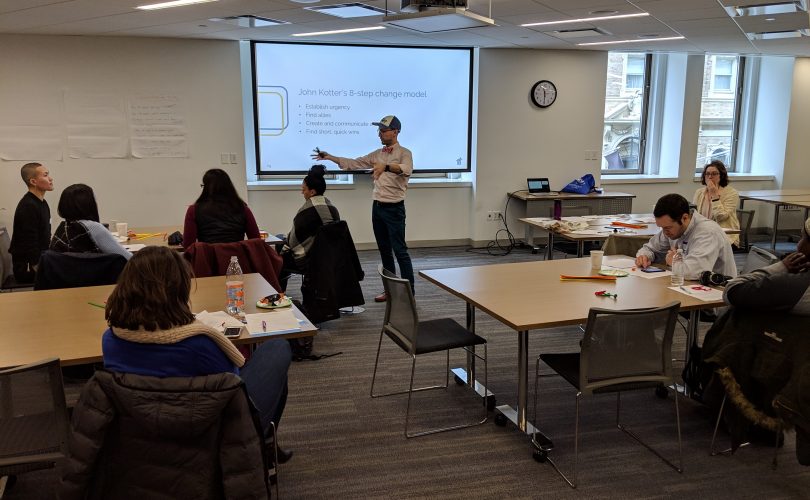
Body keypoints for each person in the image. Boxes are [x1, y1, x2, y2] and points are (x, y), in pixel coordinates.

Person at [100, 246, 293, 462]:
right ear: (178, 290)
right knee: (277, 349)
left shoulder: (111, 340)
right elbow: (234, 386)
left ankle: (266, 443)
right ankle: (261, 443)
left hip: (141, 428)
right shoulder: (198, 344)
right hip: (208, 429)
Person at [313, 115, 414, 301]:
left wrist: (386, 167)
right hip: (377, 207)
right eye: (379, 131)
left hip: (395, 209)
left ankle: (409, 294)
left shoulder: (404, 153)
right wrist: (330, 157)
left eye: (384, 131)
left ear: (396, 131)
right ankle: (390, 290)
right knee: (384, 250)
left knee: (400, 250)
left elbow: (405, 169)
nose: (380, 134)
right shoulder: (378, 154)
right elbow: (354, 163)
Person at [635, 193, 737, 280]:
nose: (665, 233)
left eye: (667, 228)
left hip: (717, 292)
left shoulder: (707, 232)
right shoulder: (671, 229)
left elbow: (695, 272)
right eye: (662, 228)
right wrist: (644, 256)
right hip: (686, 285)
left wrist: (673, 261)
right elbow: (650, 248)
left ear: (684, 218)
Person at [724, 217, 810, 313]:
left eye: (802, 237)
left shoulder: (790, 285)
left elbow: (730, 291)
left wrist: (782, 267)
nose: (798, 244)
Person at [278, 164, 340, 292]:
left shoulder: (306, 211)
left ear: (312, 192)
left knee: (278, 252)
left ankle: (279, 294)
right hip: (331, 258)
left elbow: (292, 241)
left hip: (309, 260)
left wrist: (281, 250)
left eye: (303, 189)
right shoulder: (333, 208)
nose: (302, 192)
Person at [49, 183, 132, 261]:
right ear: (89, 204)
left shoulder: (63, 227)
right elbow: (128, 258)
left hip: (67, 275)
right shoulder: (93, 227)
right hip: (96, 275)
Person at [182, 168, 261, 249]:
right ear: (230, 187)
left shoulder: (194, 210)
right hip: (237, 259)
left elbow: (188, 245)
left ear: (206, 188)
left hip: (206, 259)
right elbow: (256, 240)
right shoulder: (243, 209)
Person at [9, 162, 53, 282]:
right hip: (27, 268)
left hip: (41, 260)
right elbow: (29, 243)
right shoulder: (28, 206)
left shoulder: (42, 203)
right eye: (45, 175)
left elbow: (45, 236)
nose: (50, 178)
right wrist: (41, 270)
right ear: (33, 182)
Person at [693, 160, 740, 248]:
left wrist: (714, 195)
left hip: (724, 235)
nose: (710, 177)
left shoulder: (731, 193)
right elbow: (694, 215)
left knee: (705, 248)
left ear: (721, 176)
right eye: (707, 174)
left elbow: (721, 216)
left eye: (714, 174)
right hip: (703, 233)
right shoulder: (699, 192)